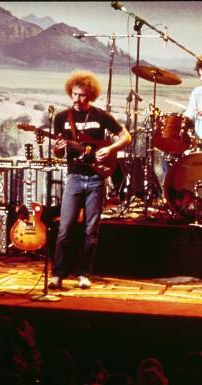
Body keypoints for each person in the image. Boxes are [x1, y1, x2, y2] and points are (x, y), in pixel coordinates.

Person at [48, 71, 131, 290]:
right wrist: (57, 149)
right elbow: (58, 153)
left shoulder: (100, 116)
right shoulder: (61, 118)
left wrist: (109, 149)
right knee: (65, 228)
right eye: (74, 94)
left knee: (90, 230)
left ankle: (84, 273)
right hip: (74, 177)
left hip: (96, 178)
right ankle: (58, 274)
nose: (77, 99)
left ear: (90, 95)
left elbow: (126, 137)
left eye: (82, 95)